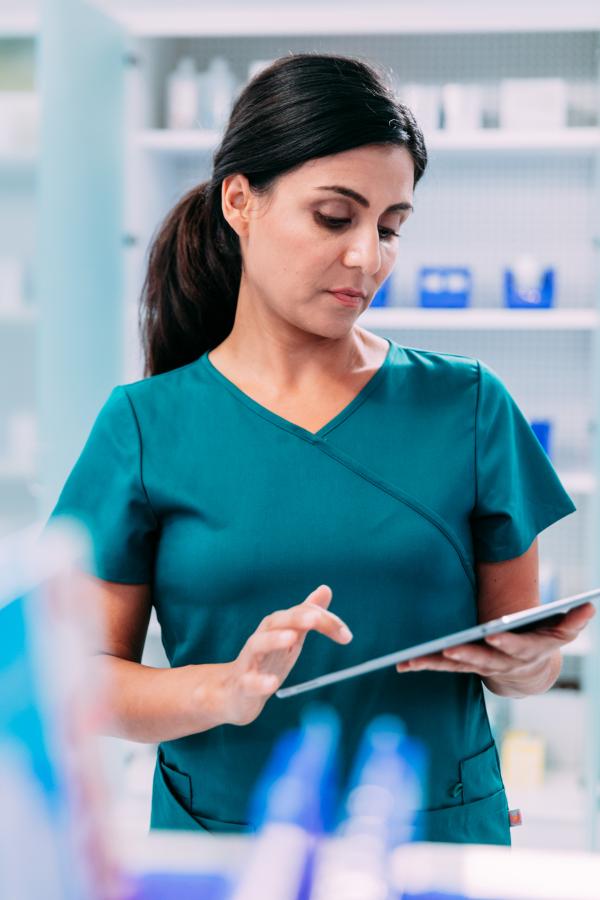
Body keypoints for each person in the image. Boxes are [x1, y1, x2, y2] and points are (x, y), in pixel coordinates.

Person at [46, 52, 594, 845]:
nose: (368, 258)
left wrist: (523, 666)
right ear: (242, 201)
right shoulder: (144, 426)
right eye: (335, 217)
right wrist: (223, 691)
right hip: (228, 846)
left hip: (433, 841)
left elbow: (525, 662)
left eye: (391, 227)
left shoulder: (468, 407)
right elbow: (80, 682)